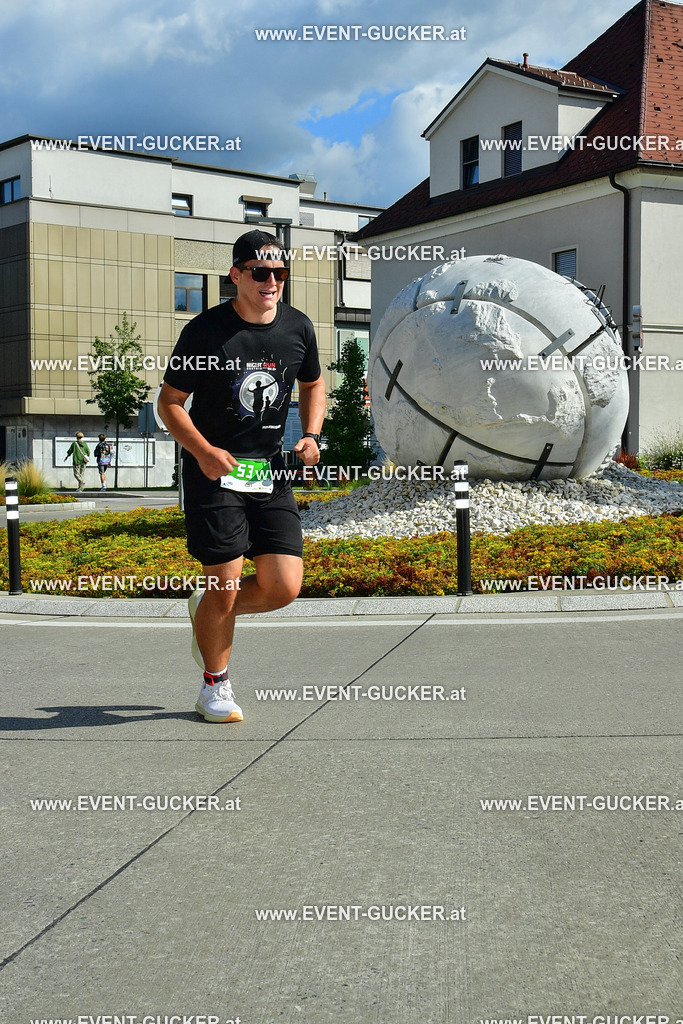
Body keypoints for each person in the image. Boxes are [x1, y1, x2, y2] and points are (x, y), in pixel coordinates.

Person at [158, 229, 326, 724]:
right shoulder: (206, 332)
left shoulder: (298, 327)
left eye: (279, 273)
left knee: (283, 586)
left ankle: (206, 609)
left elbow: (314, 383)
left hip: (270, 470)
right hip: (215, 471)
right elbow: (169, 404)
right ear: (236, 275)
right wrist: (205, 452)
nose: (271, 281)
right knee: (226, 584)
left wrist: (313, 435)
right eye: (260, 272)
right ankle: (215, 686)